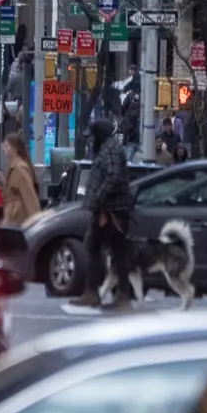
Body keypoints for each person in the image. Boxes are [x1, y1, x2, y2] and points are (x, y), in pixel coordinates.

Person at [71, 118, 134, 310]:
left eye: (92, 137)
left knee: (94, 248)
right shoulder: (110, 148)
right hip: (110, 209)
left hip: (111, 210)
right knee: (116, 252)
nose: (90, 141)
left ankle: (96, 293)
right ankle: (119, 294)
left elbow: (113, 176)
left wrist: (99, 200)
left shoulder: (110, 149)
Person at [2, 135, 41, 225]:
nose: (4, 149)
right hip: (13, 216)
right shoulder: (13, 166)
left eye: (7, 146)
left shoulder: (19, 168)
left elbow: (29, 194)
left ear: (15, 149)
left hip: (18, 217)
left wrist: (36, 220)